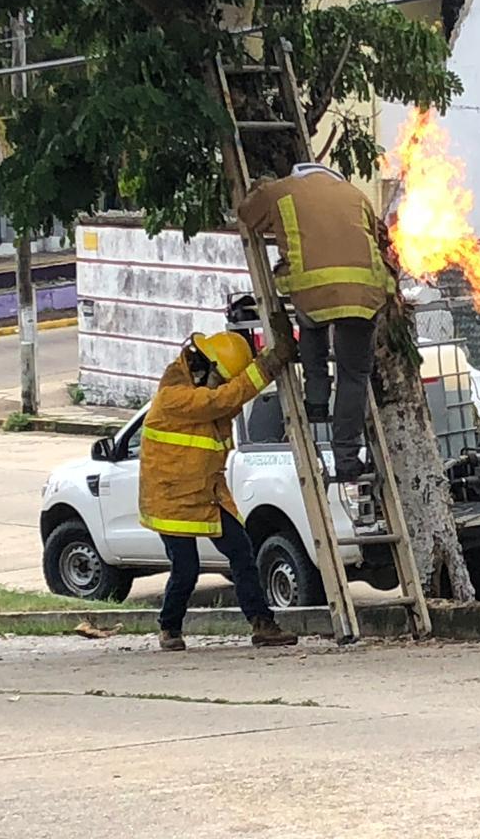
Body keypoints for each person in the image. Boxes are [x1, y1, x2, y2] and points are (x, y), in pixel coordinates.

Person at [140, 326, 298, 652]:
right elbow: (223, 399)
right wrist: (267, 365)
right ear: (207, 368)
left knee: (242, 554)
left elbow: (227, 400)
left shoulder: (203, 393)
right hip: (173, 497)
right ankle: (169, 627)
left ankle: (262, 624)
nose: (224, 386)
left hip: (207, 493)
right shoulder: (175, 397)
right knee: (186, 570)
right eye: (222, 379)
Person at [238, 163, 397, 482]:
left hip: (313, 291)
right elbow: (383, 238)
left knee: (311, 324)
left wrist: (261, 187)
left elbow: (246, 215)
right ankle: (348, 459)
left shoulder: (280, 190)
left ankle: (316, 400)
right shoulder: (355, 194)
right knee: (353, 375)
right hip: (364, 293)